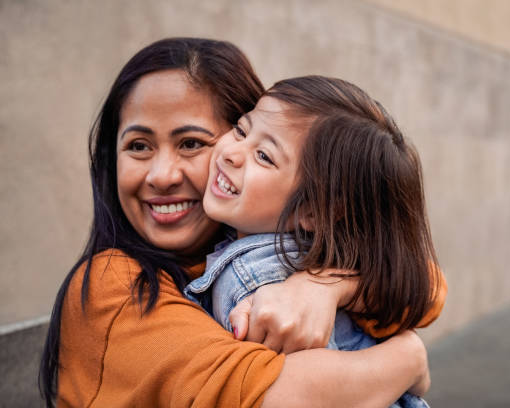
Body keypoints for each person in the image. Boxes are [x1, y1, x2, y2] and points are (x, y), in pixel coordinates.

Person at [39, 38, 432, 408]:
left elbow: (426, 284)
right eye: (138, 146)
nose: (161, 175)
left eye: (191, 143)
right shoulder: (112, 284)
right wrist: (408, 358)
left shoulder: (248, 240)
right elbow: (257, 396)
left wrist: (321, 287)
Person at [184, 76, 447, 408]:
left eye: (264, 156)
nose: (233, 154)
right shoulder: (320, 251)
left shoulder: (258, 282)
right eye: (241, 129)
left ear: (312, 212)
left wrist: (328, 286)